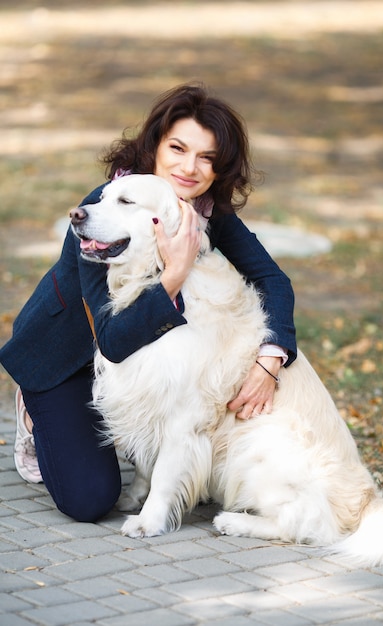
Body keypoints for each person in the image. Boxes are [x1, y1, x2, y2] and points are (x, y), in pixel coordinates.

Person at [0, 84, 297, 523]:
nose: (189, 167)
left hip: (131, 367)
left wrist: (270, 359)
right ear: (154, 145)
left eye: (207, 158)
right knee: (91, 499)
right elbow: (113, 342)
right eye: (177, 148)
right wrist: (174, 276)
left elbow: (273, 279)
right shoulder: (103, 209)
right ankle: (34, 418)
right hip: (66, 356)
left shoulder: (203, 213)